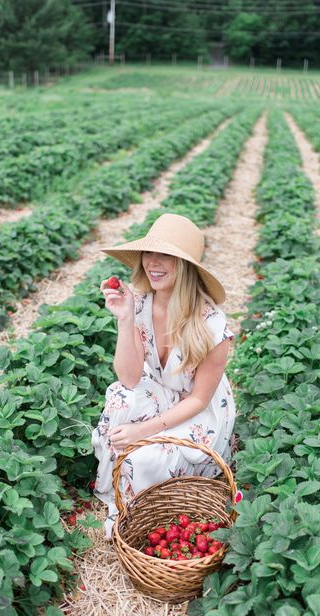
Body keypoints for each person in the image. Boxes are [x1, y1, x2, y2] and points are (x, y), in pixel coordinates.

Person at [91, 213, 236, 538]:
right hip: (159, 389)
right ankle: (127, 486)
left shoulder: (212, 327)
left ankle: (146, 504)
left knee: (145, 457)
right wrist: (125, 319)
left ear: (185, 266)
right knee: (119, 399)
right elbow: (129, 378)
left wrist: (144, 430)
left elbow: (199, 399)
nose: (153, 263)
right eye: (149, 253)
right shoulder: (141, 304)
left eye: (166, 256)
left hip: (197, 409)